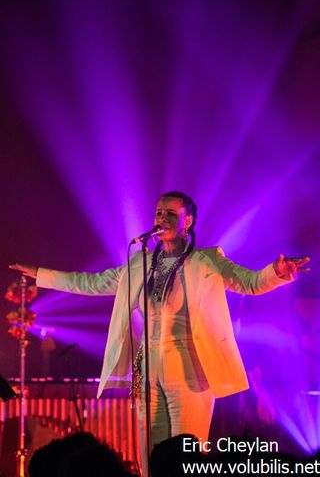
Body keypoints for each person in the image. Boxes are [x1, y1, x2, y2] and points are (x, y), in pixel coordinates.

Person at [9, 191, 310, 475]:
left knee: (186, 454)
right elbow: (91, 283)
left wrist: (277, 273)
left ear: (187, 221)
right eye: (158, 213)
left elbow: (250, 282)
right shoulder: (138, 263)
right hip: (148, 368)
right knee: (150, 456)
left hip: (189, 369)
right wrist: (41, 274)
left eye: (170, 213)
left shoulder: (207, 260)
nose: (161, 218)